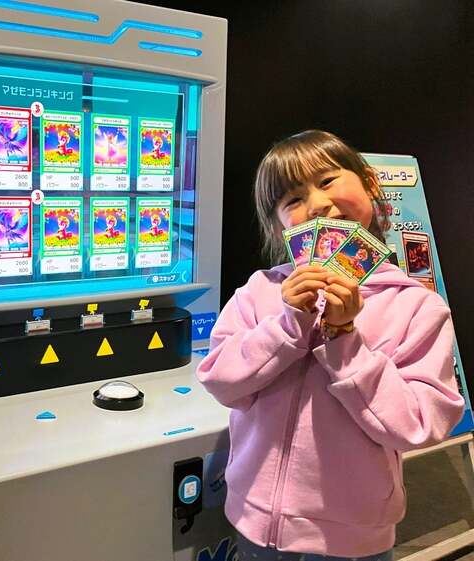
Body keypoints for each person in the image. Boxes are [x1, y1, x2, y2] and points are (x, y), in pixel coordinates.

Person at [197, 130, 463, 559]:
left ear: (370, 184)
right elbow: (220, 381)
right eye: (292, 199)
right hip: (253, 519)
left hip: (353, 539)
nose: (318, 204)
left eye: (327, 181)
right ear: (279, 225)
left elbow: (420, 424)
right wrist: (287, 326)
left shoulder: (417, 307)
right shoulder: (259, 291)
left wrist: (344, 340)